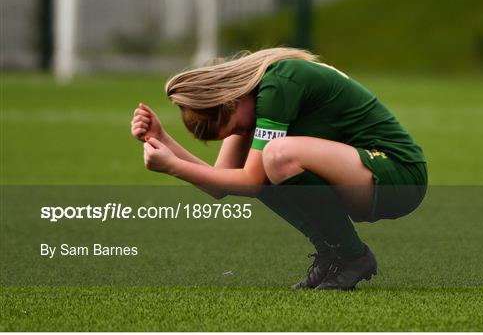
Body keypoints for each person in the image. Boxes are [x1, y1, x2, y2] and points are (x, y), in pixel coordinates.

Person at [130, 47, 427, 290]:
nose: (241, 133)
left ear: (230, 101)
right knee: (264, 163)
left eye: (235, 128)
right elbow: (221, 184)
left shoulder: (277, 84)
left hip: (398, 173)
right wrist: (163, 141)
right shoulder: (248, 104)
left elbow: (249, 180)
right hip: (366, 177)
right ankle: (332, 253)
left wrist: (174, 167)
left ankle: (352, 256)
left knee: (276, 156)